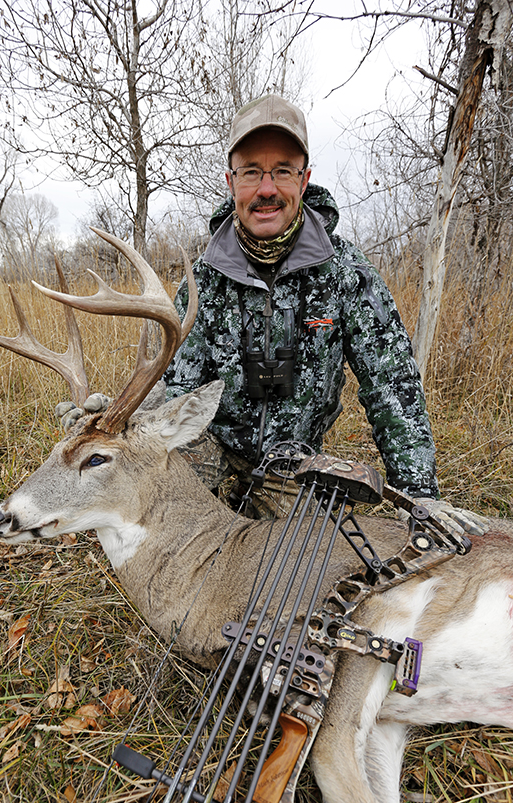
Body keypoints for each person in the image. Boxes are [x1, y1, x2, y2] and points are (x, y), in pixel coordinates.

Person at [162, 94, 487, 535]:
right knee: (158, 519)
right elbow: (177, 389)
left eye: (282, 171)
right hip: (212, 449)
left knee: (316, 560)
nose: (267, 189)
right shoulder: (204, 278)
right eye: (252, 172)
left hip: (290, 465)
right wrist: (114, 424)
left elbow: (391, 384)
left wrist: (419, 495)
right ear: (230, 181)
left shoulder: (345, 273)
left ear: (305, 178)